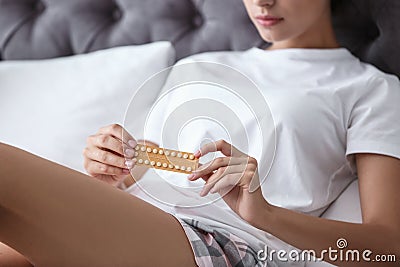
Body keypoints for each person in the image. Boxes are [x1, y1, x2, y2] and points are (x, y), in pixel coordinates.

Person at [1, 0, 400, 266]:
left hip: (228, 246)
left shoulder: (369, 88)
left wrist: (265, 215)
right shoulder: (201, 64)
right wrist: (114, 168)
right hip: (146, 222)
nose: (262, 1)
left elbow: (388, 249)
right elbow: (151, 171)